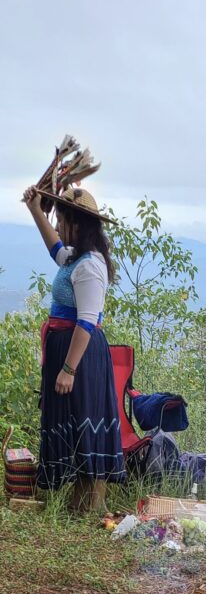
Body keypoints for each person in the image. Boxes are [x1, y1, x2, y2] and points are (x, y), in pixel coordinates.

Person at [22, 184, 125, 511]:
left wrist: (68, 369)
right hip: (68, 351)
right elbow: (55, 248)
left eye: (62, 220)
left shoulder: (90, 266)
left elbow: (86, 322)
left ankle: (91, 504)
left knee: (84, 418)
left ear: (77, 225)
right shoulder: (74, 257)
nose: (59, 226)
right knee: (75, 418)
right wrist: (36, 209)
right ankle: (78, 502)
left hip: (80, 356)